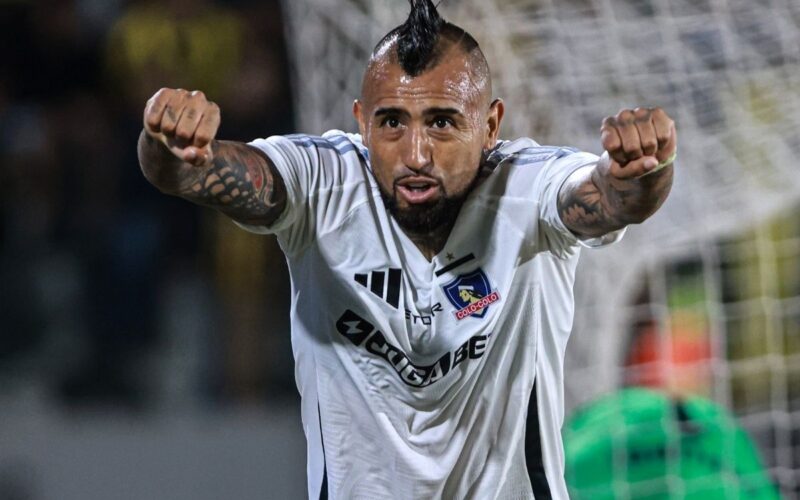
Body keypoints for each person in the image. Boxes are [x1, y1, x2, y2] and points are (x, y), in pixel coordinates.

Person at [137, 0, 676, 497]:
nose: (415, 154)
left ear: (490, 125)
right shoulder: (322, 182)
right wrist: (171, 149)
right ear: (360, 122)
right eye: (392, 122)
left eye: (442, 122)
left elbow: (611, 196)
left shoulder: (527, 188)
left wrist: (642, 170)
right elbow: (201, 174)